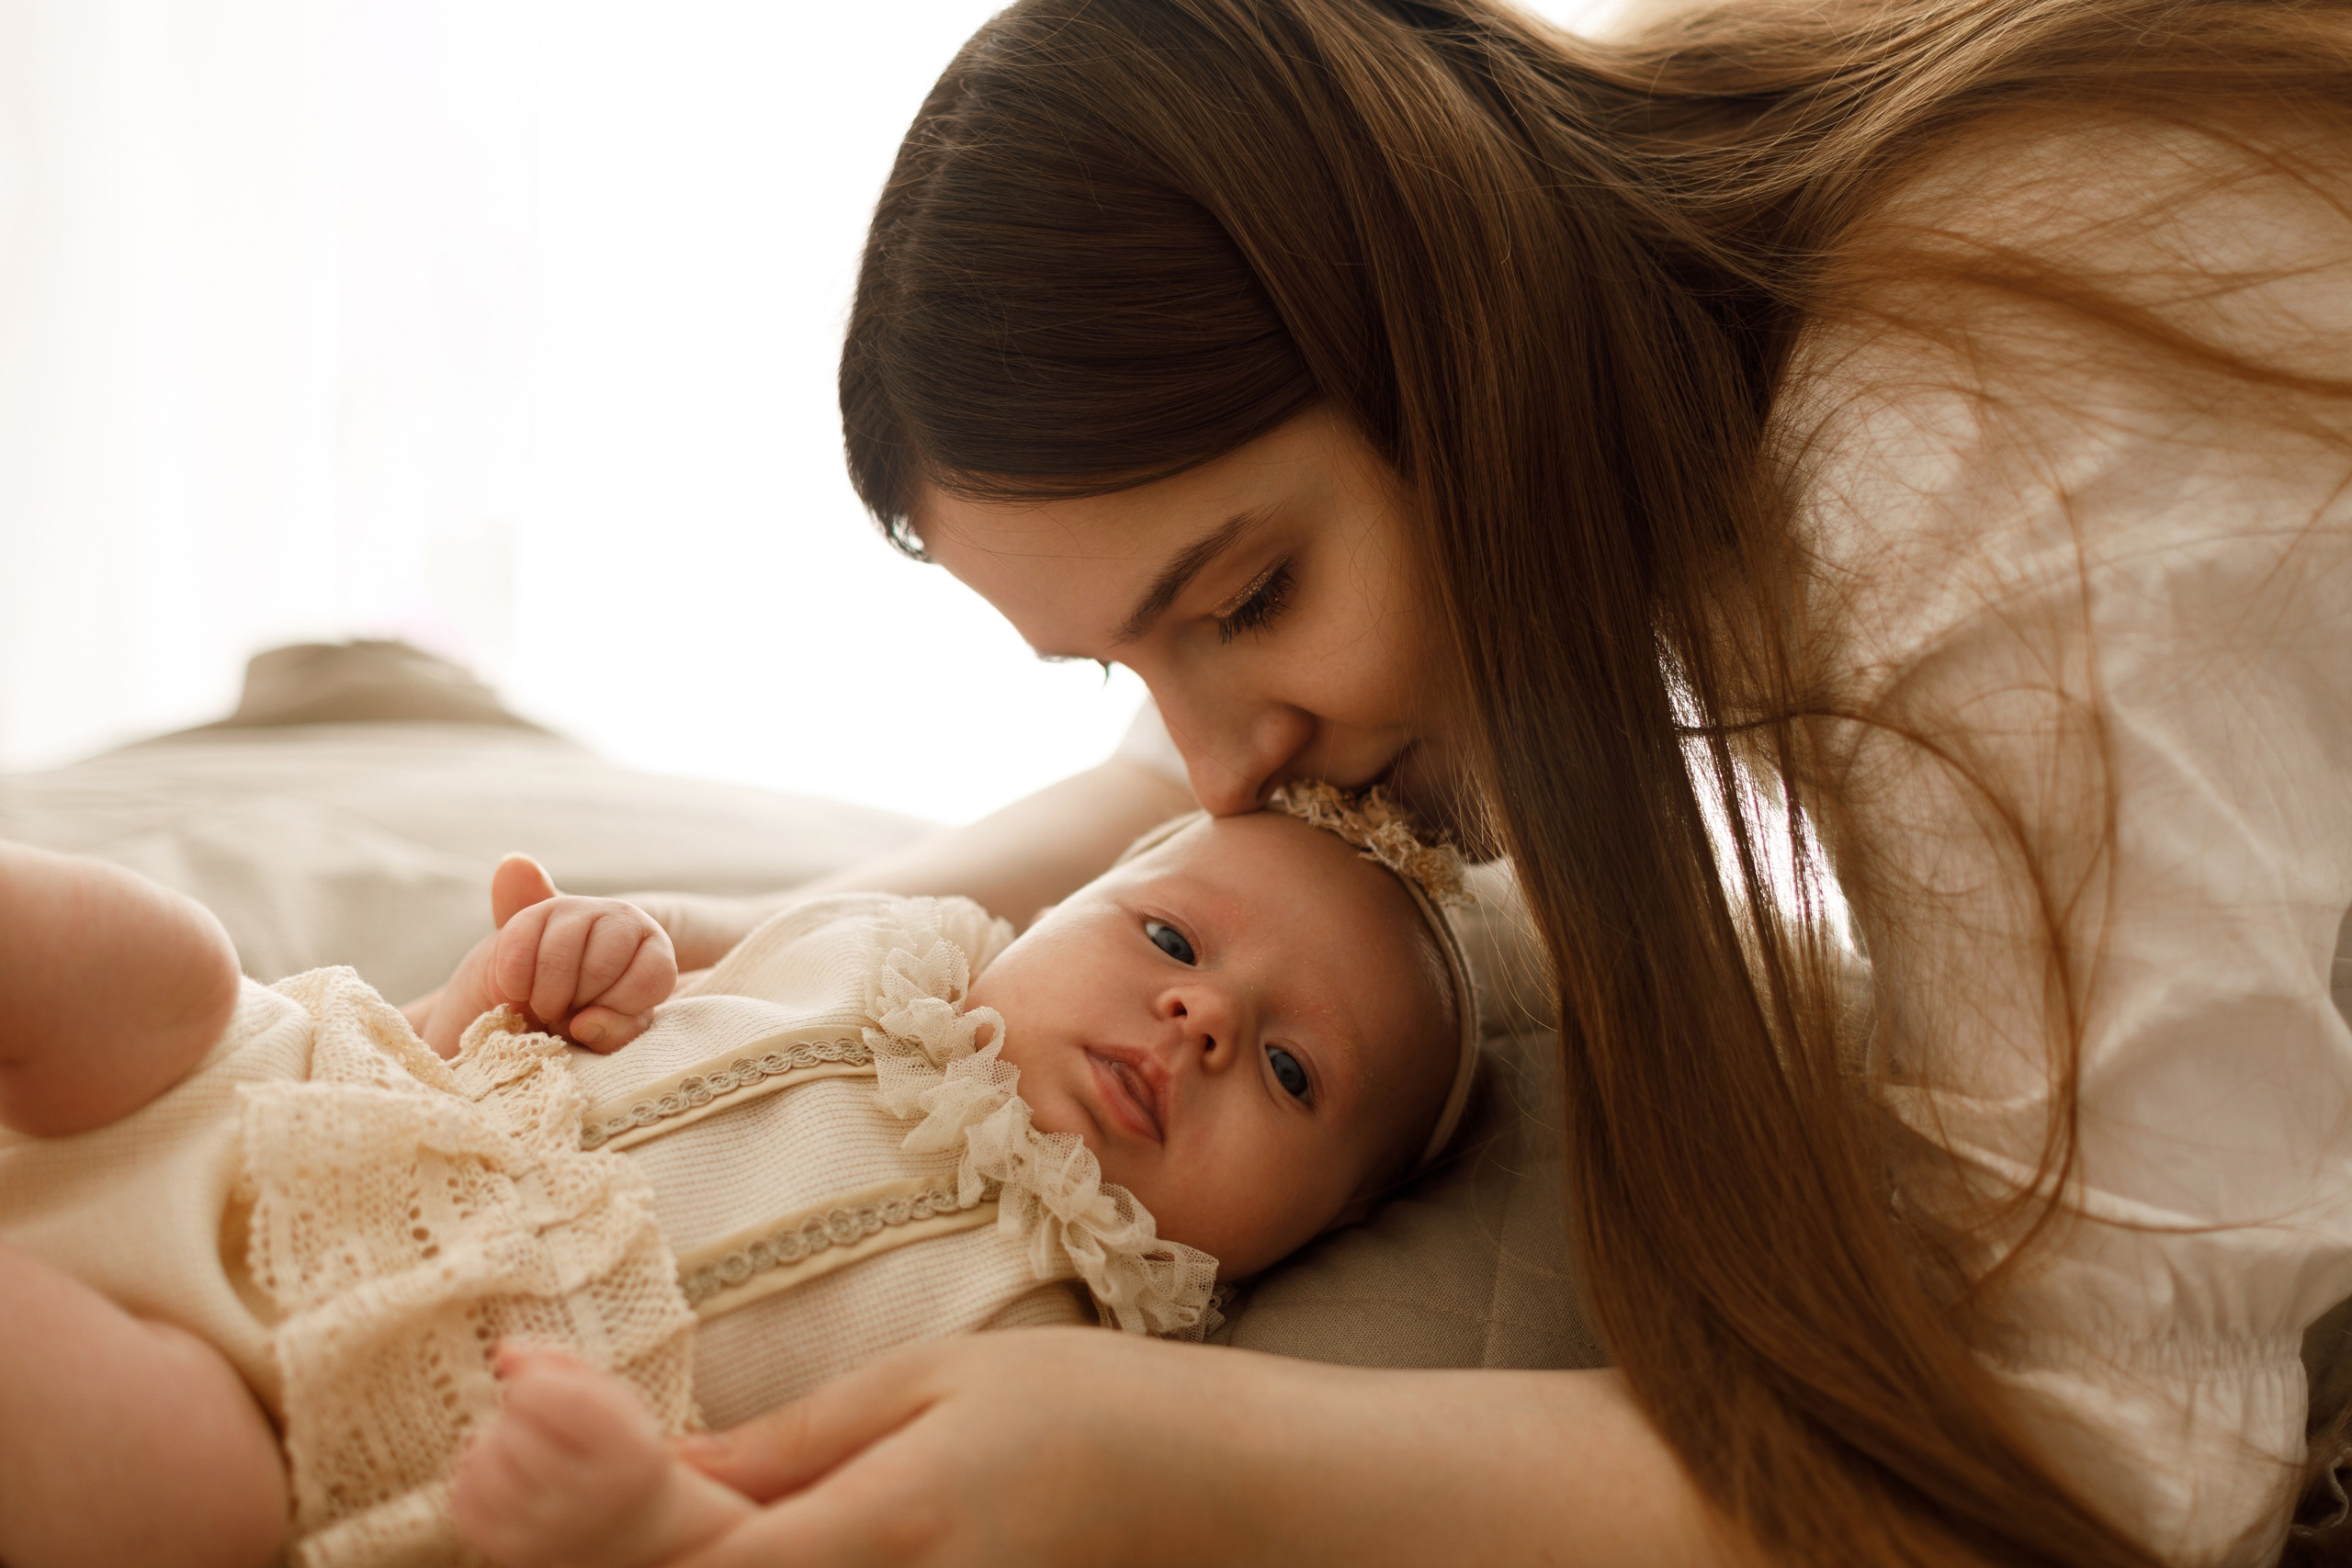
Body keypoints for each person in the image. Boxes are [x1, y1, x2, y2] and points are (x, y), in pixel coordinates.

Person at [609, 0, 2352, 1563]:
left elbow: (2124, 1471)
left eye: (1246, 604)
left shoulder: (1961, 459)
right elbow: (1164, 811)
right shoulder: (1644, 199)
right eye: (1141, 662)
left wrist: (1193, 1459)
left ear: (1451, 350)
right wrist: (750, 959)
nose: (1224, 767)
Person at [0, 789, 1479, 1568]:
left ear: (1322, 1229)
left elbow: (829, 1543)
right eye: (1169, 938)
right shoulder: (889, 954)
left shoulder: (1071, 1369)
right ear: (1057, 912)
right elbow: (573, 1006)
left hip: (318, 1411)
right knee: (167, 963)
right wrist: (551, 967)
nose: (1204, 1018)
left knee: (180, 1501)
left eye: (1294, 1073)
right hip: (305, 1108)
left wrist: (651, 1526)